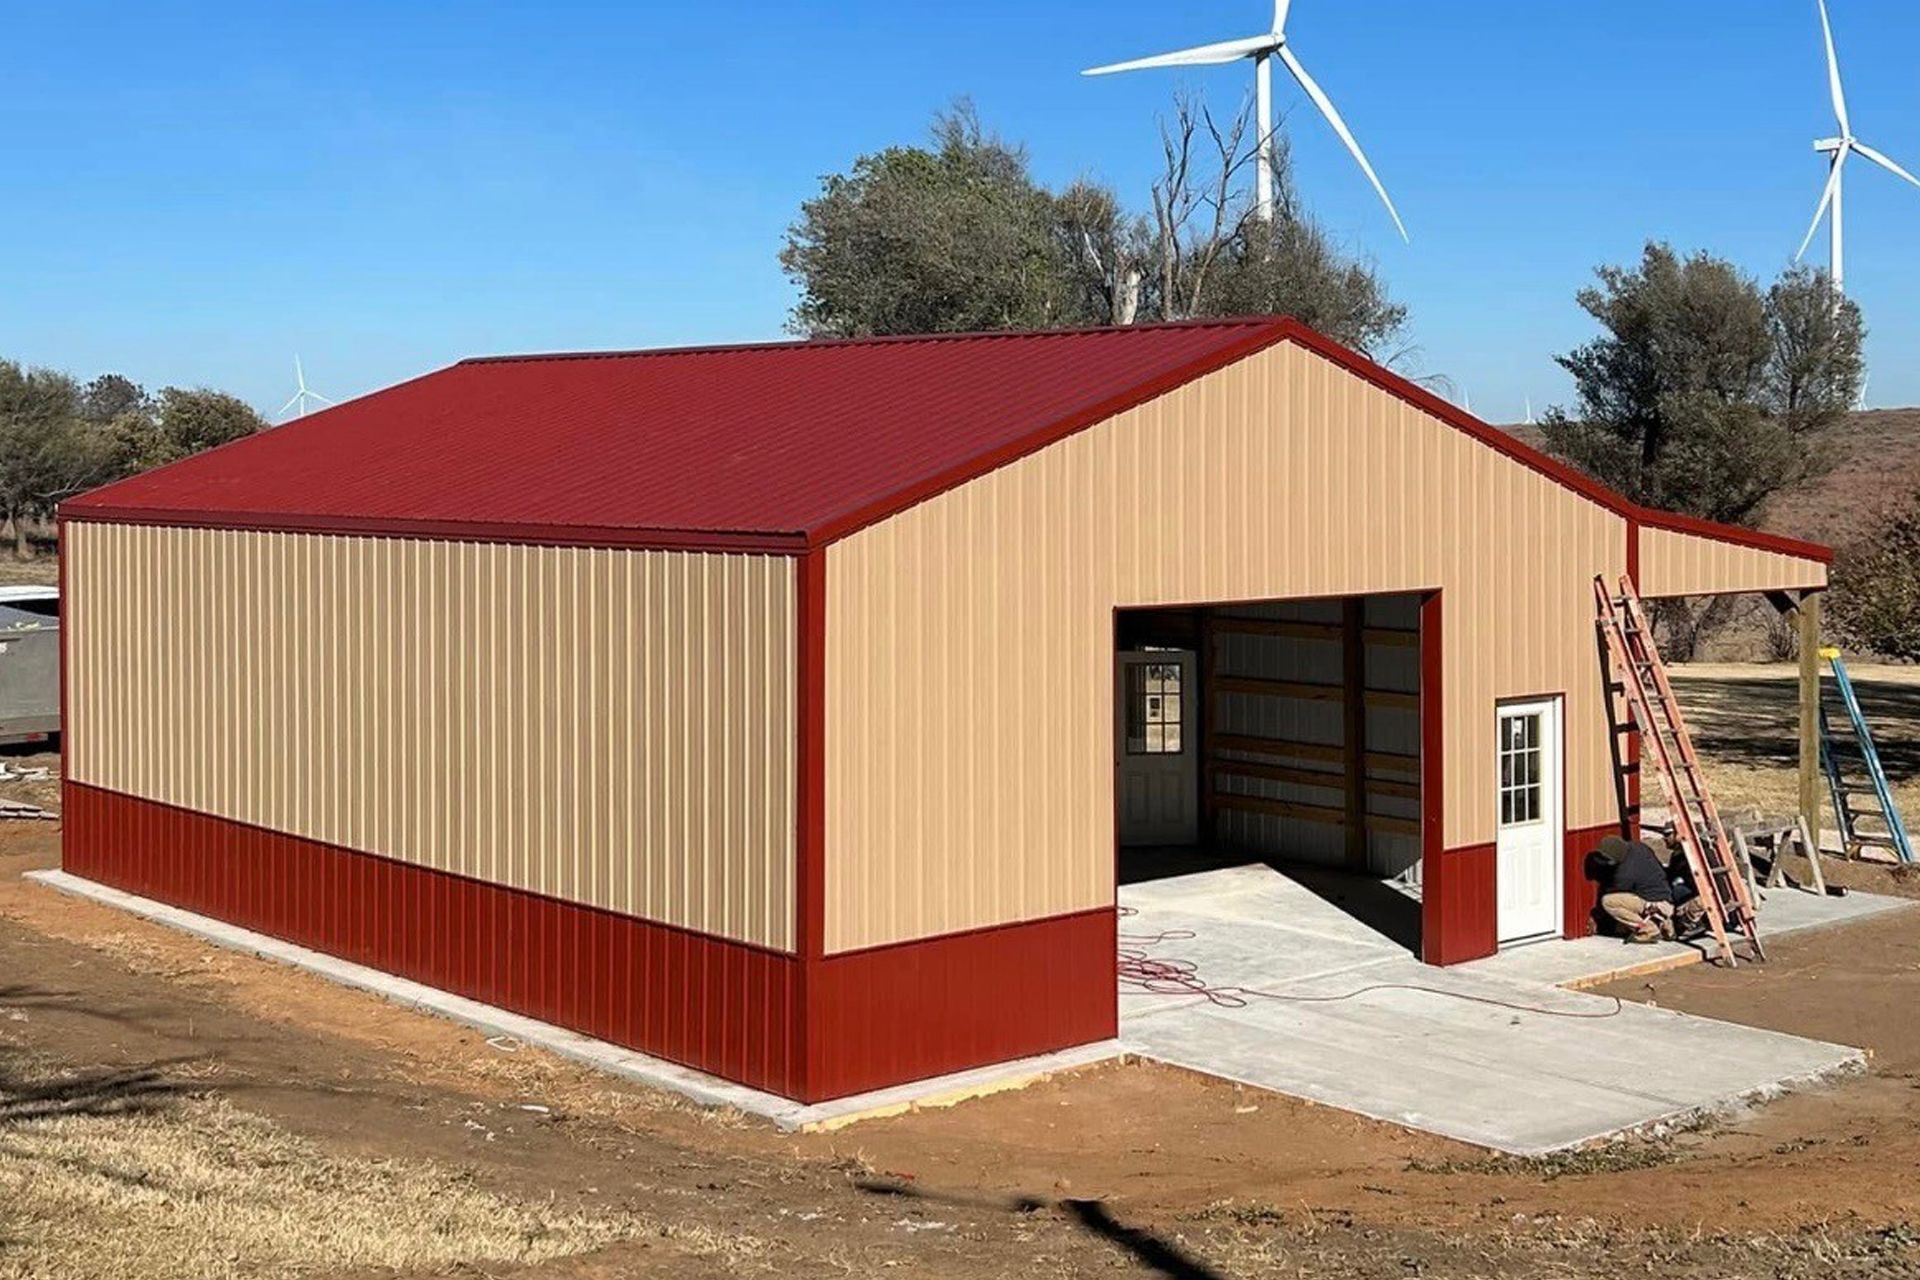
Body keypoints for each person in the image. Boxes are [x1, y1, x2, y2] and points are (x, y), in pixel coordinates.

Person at [1595, 835, 1677, 944]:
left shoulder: (1624, 874)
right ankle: (1664, 923)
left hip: (1653, 904)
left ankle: (1648, 929)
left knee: (1608, 901)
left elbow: (1614, 891)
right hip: (1666, 898)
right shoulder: (1639, 847)